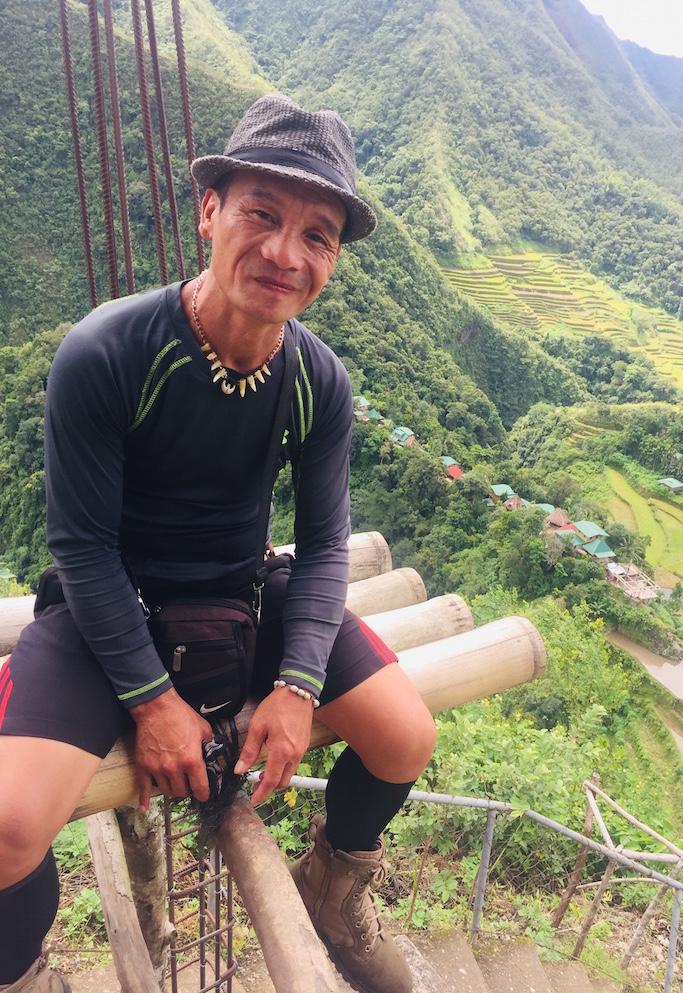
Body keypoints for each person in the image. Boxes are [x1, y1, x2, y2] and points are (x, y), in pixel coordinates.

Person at [0, 93, 436, 993]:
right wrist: (152, 700)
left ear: (333, 258)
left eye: (316, 235)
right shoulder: (109, 351)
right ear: (209, 210)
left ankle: (333, 886)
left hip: (243, 595)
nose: (285, 253)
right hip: (106, 606)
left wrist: (298, 683)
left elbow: (323, 544)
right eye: (261, 215)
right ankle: (22, 970)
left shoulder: (317, 379)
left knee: (404, 737)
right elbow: (82, 547)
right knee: (7, 827)